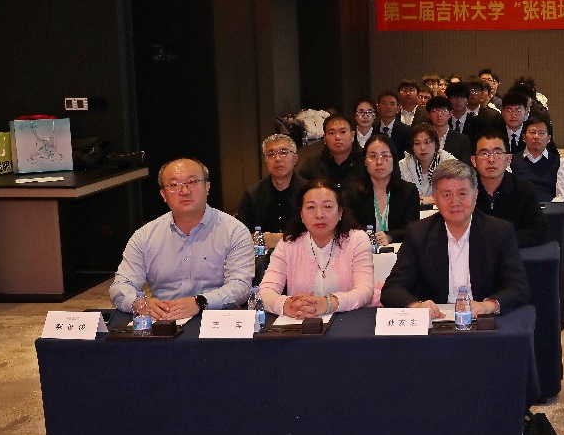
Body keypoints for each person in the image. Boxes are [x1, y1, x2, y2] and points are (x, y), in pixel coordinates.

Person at [380, 159, 530, 318]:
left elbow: (519, 287)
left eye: (462, 194)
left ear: (476, 195)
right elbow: (392, 289)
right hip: (436, 322)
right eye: (446, 195)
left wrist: (488, 306)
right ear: (435, 198)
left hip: (484, 320)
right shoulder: (418, 234)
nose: (454, 202)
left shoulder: (499, 232)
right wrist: (417, 307)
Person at [110, 158, 254, 317]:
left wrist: (201, 302)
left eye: (192, 182)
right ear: (163, 195)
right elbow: (121, 286)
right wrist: (139, 303)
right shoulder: (144, 236)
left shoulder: (234, 231)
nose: (184, 191)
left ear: (207, 187)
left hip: (216, 318)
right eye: (174, 185)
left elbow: (240, 286)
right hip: (164, 319)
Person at [258, 180, 374, 318]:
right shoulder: (288, 244)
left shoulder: (357, 240)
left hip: (347, 322)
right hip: (299, 322)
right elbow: (265, 291)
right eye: (311, 207)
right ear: (301, 215)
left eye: (327, 206)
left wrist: (328, 303)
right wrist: (287, 305)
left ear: (340, 213)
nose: (319, 215)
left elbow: (365, 291)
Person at [471, 131, 548, 248]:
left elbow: (539, 230)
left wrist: (503, 240)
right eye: (484, 153)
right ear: (474, 161)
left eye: (497, 153)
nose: (491, 159)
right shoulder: (464, 191)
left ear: (508, 159)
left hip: (513, 254)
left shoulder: (524, 189)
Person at [235, 134, 308, 247]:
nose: (277, 158)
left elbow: (319, 233)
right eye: (271, 154)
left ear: (295, 158)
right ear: (266, 160)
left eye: (284, 152)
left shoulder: (309, 192)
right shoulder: (252, 194)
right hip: (262, 255)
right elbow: (239, 234)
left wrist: (281, 239)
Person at [348, 133, 420, 244]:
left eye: (385, 156)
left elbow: (412, 229)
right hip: (363, 249)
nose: (379, 162)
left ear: (394, 159)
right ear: (365, 161)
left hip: (399, 250)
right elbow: (350, 226)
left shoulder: (409, 191)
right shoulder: (352, 193)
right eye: (373, 156)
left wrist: (390, 236)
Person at [511, 115, 564, 203]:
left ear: (549, 138)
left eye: (541, 133)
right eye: (532, 132)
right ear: (524, 137)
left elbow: (562, 196)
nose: (536, 136)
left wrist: (547, 209)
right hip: (520, 209)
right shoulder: (511, 161)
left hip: (549, 209)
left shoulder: (559, 163)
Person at [302, 114, 364, 193]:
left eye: (343, 132)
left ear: (352, 135)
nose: (337, 137)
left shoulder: (365, 162)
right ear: (325, 138)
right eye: (331, 133)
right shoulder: (313, 164)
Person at [398, 123, 455, 204]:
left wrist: (428, 200)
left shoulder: (448, 162)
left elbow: (454, 192)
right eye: (417, 143)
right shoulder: (403, 165)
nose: (422, 148)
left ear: (436, 144)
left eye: (427, 142)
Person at [424, 95, 471, 162]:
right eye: (434, 111)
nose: (439, 115)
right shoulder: (423, 138)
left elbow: (465, 165)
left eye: (443, 110)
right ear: (428, 115)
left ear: (450, 113)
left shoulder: (462, 140)